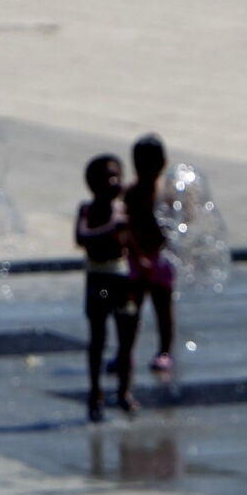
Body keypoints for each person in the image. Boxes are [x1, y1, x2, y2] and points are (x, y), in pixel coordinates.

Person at [77, 155, 140, 422]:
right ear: (92, 184)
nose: (113, 182)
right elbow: (82, 237)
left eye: (116, 176)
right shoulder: (87, 210)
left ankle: (124, 391)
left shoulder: (122, 209)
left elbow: (131, 241)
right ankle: (95, 391)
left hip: (121, 279)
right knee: (98, 336)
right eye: (106, 177)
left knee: (126, 337)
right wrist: (109, 228)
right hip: (99, 280)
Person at [124, 134, 178, 378]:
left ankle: (165, 350)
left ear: (163, 163)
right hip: (136, 258)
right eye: (141, 165)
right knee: (131, 311)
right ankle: (126, 351)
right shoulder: (131, 194)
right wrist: (137, 254)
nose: (147, 170)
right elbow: (127, 227)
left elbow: (179, 223)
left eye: (152, 164)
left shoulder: (167, 194)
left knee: (162, 308)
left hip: (161, 258)